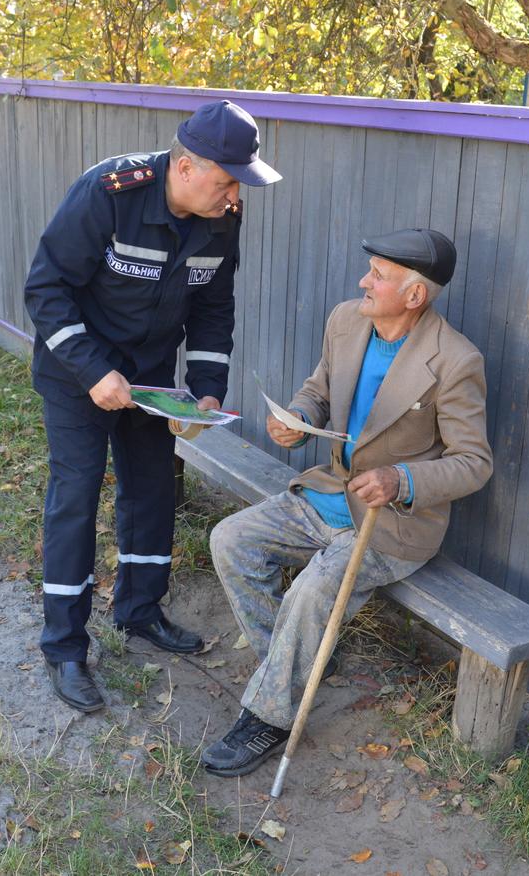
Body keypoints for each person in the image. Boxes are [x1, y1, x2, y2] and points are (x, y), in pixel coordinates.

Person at [202, 228, 492, 776]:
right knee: (231, 539)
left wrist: (401, 479)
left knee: (312, 591)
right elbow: (320, 389)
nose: (364, 281)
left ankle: (269, 716)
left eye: (379, 275)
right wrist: (300, 419)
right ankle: (289, 671)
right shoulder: (347, 319)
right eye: (371, 270)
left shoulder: (455, 360)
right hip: (331, 491)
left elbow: (474, 462)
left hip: (392, 522)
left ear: (414, 296)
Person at [24, 100, 281, 713]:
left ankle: (139, 610)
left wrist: (207, 389)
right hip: (76, 372)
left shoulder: (222, 217)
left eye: (238, 184)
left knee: (151, 489)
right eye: (224, 181)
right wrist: (93, 371)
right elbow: (46, 288)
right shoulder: (108, 193)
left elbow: (215, 307)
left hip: (150, 378)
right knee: (77, 497)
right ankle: (64, 646)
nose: (232, 195)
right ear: (185, 166)